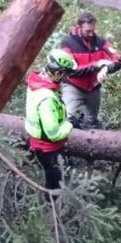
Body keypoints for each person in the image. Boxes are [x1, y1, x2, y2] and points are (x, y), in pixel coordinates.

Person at [58, 12, 121, 129]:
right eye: (88, 31)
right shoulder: (68, 44)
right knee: (65, 118)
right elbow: (70, 71)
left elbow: (118, 61)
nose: (91, 33)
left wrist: (107, 68)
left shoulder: (101, 42)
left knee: (92, 122)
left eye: (93, 30)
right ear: (79, 27)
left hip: (93, 88)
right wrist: (97, 65)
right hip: (73, 86)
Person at [25, 49, 75, 190]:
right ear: (57, 73)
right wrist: (69, 125)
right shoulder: (46, 98)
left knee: (56, 173)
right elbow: (53, 133)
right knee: (56, 182)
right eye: (65, 74)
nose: (66, 78)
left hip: (40, 143)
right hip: (48, 147)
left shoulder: (38, 83)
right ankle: (54, 206)